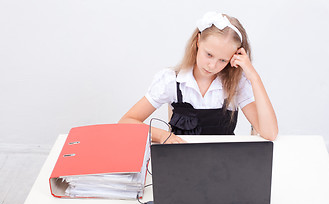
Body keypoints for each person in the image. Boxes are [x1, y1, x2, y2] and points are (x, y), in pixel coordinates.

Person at [119, 12, 278, 143]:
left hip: (224, 167)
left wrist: (253, 76)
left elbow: (269, 133)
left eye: (223, 60)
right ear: (198, 40)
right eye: (209, 54)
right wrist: (162, 136)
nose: (212, 65)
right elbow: (126, 123)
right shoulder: (170, 81)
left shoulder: (236, 84)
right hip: (181, 166)